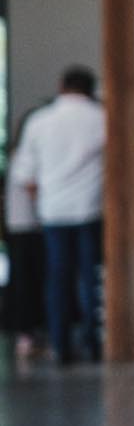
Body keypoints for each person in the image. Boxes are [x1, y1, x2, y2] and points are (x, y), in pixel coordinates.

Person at [10, 69, 106, 363]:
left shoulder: (40, 121)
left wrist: (42, 200)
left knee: (57, 280)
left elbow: (23, 174)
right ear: (90, 90)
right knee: (90, 278)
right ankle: (93, 342)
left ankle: (61, 344)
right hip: (90, 209)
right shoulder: (101, 118)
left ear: (61, 86)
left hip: (54, 212)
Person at [3, 106, 51, 361]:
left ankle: (28, 334)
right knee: (27, 282)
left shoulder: (19, 155)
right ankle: (26, 334)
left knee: (25, 280)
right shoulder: (24, 156)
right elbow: (32, 188)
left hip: (21, 225)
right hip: (28, 225)